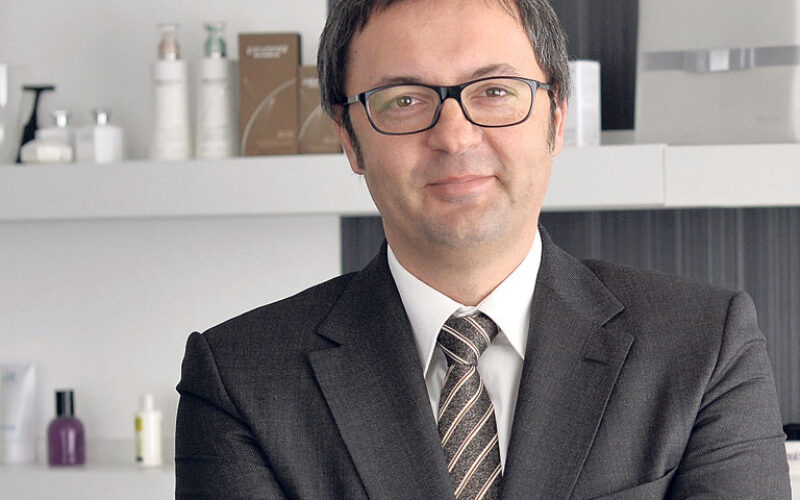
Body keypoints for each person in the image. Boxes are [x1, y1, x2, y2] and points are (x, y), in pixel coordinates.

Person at [175, 0, 791, 498]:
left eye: (495, 91)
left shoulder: (705, 347)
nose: (455, 136)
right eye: (404, 99)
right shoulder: (240, 380)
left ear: (556, 117)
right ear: (349, 139)